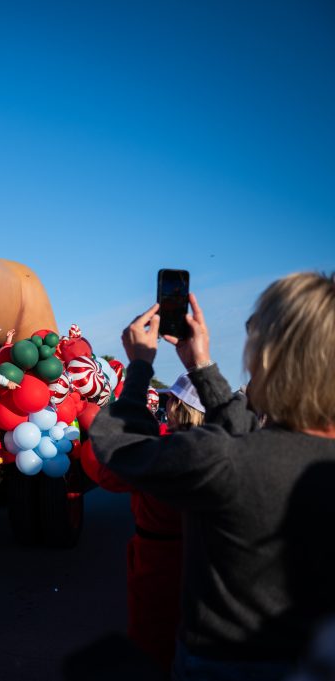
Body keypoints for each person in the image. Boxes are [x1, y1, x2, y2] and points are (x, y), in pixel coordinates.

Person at [90, 274, 335, 680]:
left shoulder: (223, 459)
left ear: (269, 361)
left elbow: (117, 445)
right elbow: (244, 433)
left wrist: (138, 369)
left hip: (222, 663)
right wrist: (200, 367)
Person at [82, 377, 204, 671]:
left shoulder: (158, 451)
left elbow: (109, 476)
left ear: (177, 406)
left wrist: (89, 444)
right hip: (204, 554)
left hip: (158, 558)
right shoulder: (219, 447)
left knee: (151, 637)